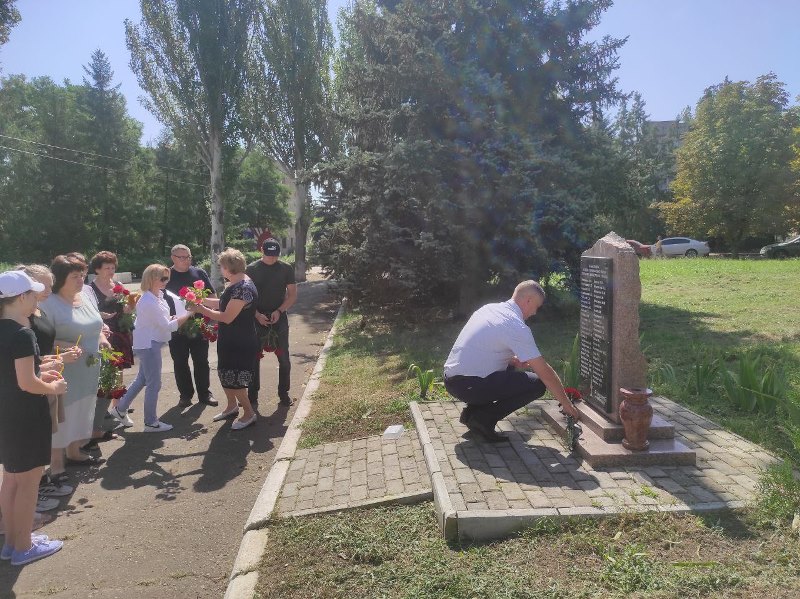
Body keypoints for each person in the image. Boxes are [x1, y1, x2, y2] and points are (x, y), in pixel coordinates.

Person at [443, 280, 580, 443]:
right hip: (469, 385)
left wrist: (511, 360)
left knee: (509, 369)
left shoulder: (489, 309)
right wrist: (566, 404)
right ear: (528, 300)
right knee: (537, 384)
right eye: (536, 306)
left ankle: (471, 413)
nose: (535, 313)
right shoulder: (515, 325)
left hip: (452, 380)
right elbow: (545, 373)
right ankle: (483, 419)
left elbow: (482, 348)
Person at [0, 270, 66, 566]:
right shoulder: (22, 333)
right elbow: (27, 383)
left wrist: (40, 374)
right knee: (29, 483)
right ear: (22, 297)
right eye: (33, 294)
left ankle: (12, 542)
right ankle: (24, 547)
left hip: (6, 414)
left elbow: (16, 375)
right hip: (26, 416)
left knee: (12, 480)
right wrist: (52, 386)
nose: (37, 299)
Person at [39, 253, 110, 475]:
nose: (81, 280)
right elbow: (42, 338)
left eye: (82, 275)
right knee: (62, 414)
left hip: (88, 367)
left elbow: (96, 325)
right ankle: (57, 463)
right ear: (60, 278)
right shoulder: (48, 303)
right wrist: (67, 346)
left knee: (83, 408)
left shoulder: (85, 296)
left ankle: (74, 451)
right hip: (63, 368)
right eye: (75, 276)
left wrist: (102, 338)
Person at [108, 264, 189, 432]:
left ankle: (120, 409)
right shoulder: (148, 300)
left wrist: (174, 317)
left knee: (143, 379)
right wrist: (189, 314)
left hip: (148, 343)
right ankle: (150, 422)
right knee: (154, 383)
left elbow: (161, 320)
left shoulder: (156, 295)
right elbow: (168, 326)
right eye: (163, 278)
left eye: (167, 278)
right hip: (148, 345)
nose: (166, 281)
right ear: (152, 279)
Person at [190, 249, 259, 430]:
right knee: (225, 374)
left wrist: (201, 310)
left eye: (221, 266)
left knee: (236, 380)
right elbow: (223, 303)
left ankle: (249, 413)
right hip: (229, 340)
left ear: (228, 268)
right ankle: (231, 407)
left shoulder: (244, 288)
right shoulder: (235, 284)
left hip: (240, 341)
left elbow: (227, 316)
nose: (220, 269)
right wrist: (202, 300)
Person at [164, 244, 218, 408]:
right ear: (173, 258)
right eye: (182, 257)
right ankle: (185, 395)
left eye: (188, 257)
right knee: (180, 361)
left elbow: (213, 295)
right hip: (176, 325)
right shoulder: (166, 275)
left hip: (198, 323)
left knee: (201, 360)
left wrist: (211, 317)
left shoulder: (199, 273)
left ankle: (205, 393)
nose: (186, 260)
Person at [246, 238, 297, 409]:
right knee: (254, 357)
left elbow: (292, 295)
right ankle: (252, 395)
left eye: (275, 256)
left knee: (284, 358)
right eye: (269, 255)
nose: (272, 259)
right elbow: (245, 298)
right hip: (257, 318)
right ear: (262, 250)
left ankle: (284, 393)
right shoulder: (251, 269)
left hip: (278, 317)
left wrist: (279, 311)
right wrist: (257, 314)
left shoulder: (286, 268)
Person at [88, 251, 134, 377]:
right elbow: (86, 311)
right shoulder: (90, 289)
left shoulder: (118, 285)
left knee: (119, 371)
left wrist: (128, 308)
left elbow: (125, 306)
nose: (111, 271)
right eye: (107, 268)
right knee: (104, 372)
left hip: (120, 332)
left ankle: (117, 397)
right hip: (103, 333)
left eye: (113, 267)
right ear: (97, 269)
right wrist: (99, 315)